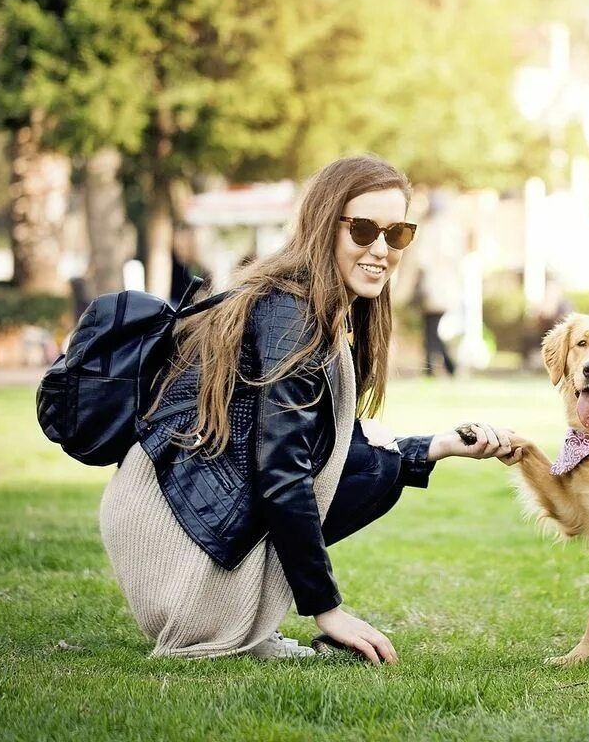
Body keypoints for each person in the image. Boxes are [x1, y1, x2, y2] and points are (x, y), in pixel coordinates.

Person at [99, 155, 520, 662]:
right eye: (363, 230)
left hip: (192, 518)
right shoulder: (291, 311)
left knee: (380, 465)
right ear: (325, 225)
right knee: (362, 468)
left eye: (398, 234)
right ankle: (231, 615)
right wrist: (327, 610)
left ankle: (249, 612)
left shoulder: (326, 307)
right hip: (172, 543)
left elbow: (331, 448)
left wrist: (437, 447)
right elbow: (282, 472)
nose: (381, 249)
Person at [411, 191, 461, 377]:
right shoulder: (452, 230)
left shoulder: (431, 230)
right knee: (432, 330)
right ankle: (435, 368)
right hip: (446, 289)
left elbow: (422, 260)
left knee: (431, 331)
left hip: (432, 289)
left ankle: (445, 366)